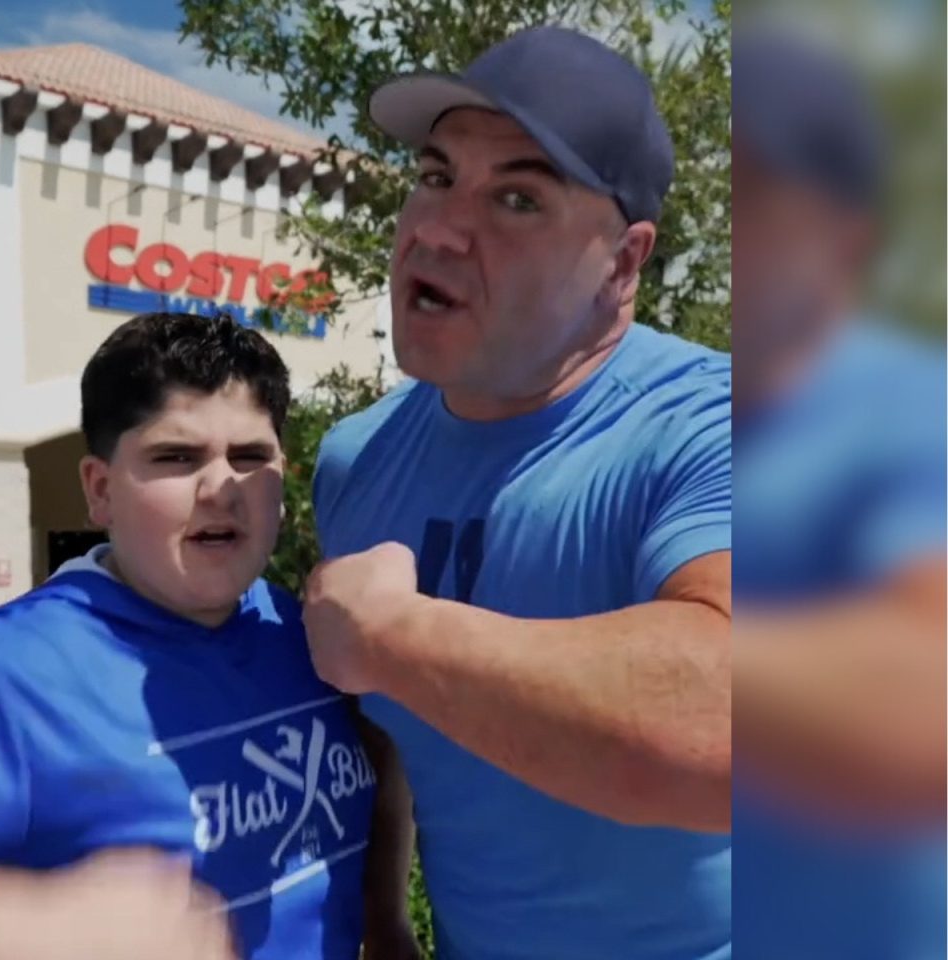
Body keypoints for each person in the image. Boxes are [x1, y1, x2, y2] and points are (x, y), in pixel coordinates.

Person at [303, 25, 731, 960]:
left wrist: (395, 634)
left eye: (517, 198)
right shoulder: (355, 460)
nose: (440, 228)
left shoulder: (716, 423)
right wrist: (381, 918)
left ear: (624, 264)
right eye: (435, 175)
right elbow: (379, 736)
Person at [0, 312, 412, 960]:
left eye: (250, 456)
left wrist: (388, 921)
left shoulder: (313, 631)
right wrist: (38, 925)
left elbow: (382, 762)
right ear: (99, 489)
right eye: (176, 457)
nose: (220, 488)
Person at [730, 30, 945, 960]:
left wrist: (663, 657)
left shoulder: (912, 406)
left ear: (848, 237)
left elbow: (922, 707)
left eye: (758, 192)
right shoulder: (701, 410)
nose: (730, 224)